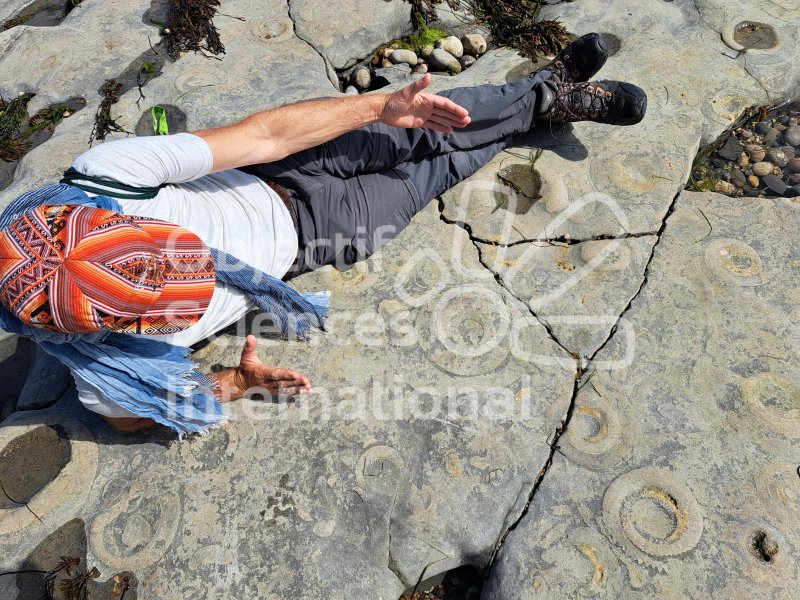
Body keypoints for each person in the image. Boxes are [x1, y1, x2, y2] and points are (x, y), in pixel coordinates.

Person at [0, 33, 646, 435]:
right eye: (176, 302)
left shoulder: (105, 177)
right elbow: (134, 413)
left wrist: (376, 106)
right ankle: (542, 101)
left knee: (419, 125)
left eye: (184, 264)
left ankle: (543, 95)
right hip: (318, 235)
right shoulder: (107, 370)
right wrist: (236, 384)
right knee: (442, 165)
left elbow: (264, 136)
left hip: (279, 166)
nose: (202, 278)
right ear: (102, 332)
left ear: (113, 220)